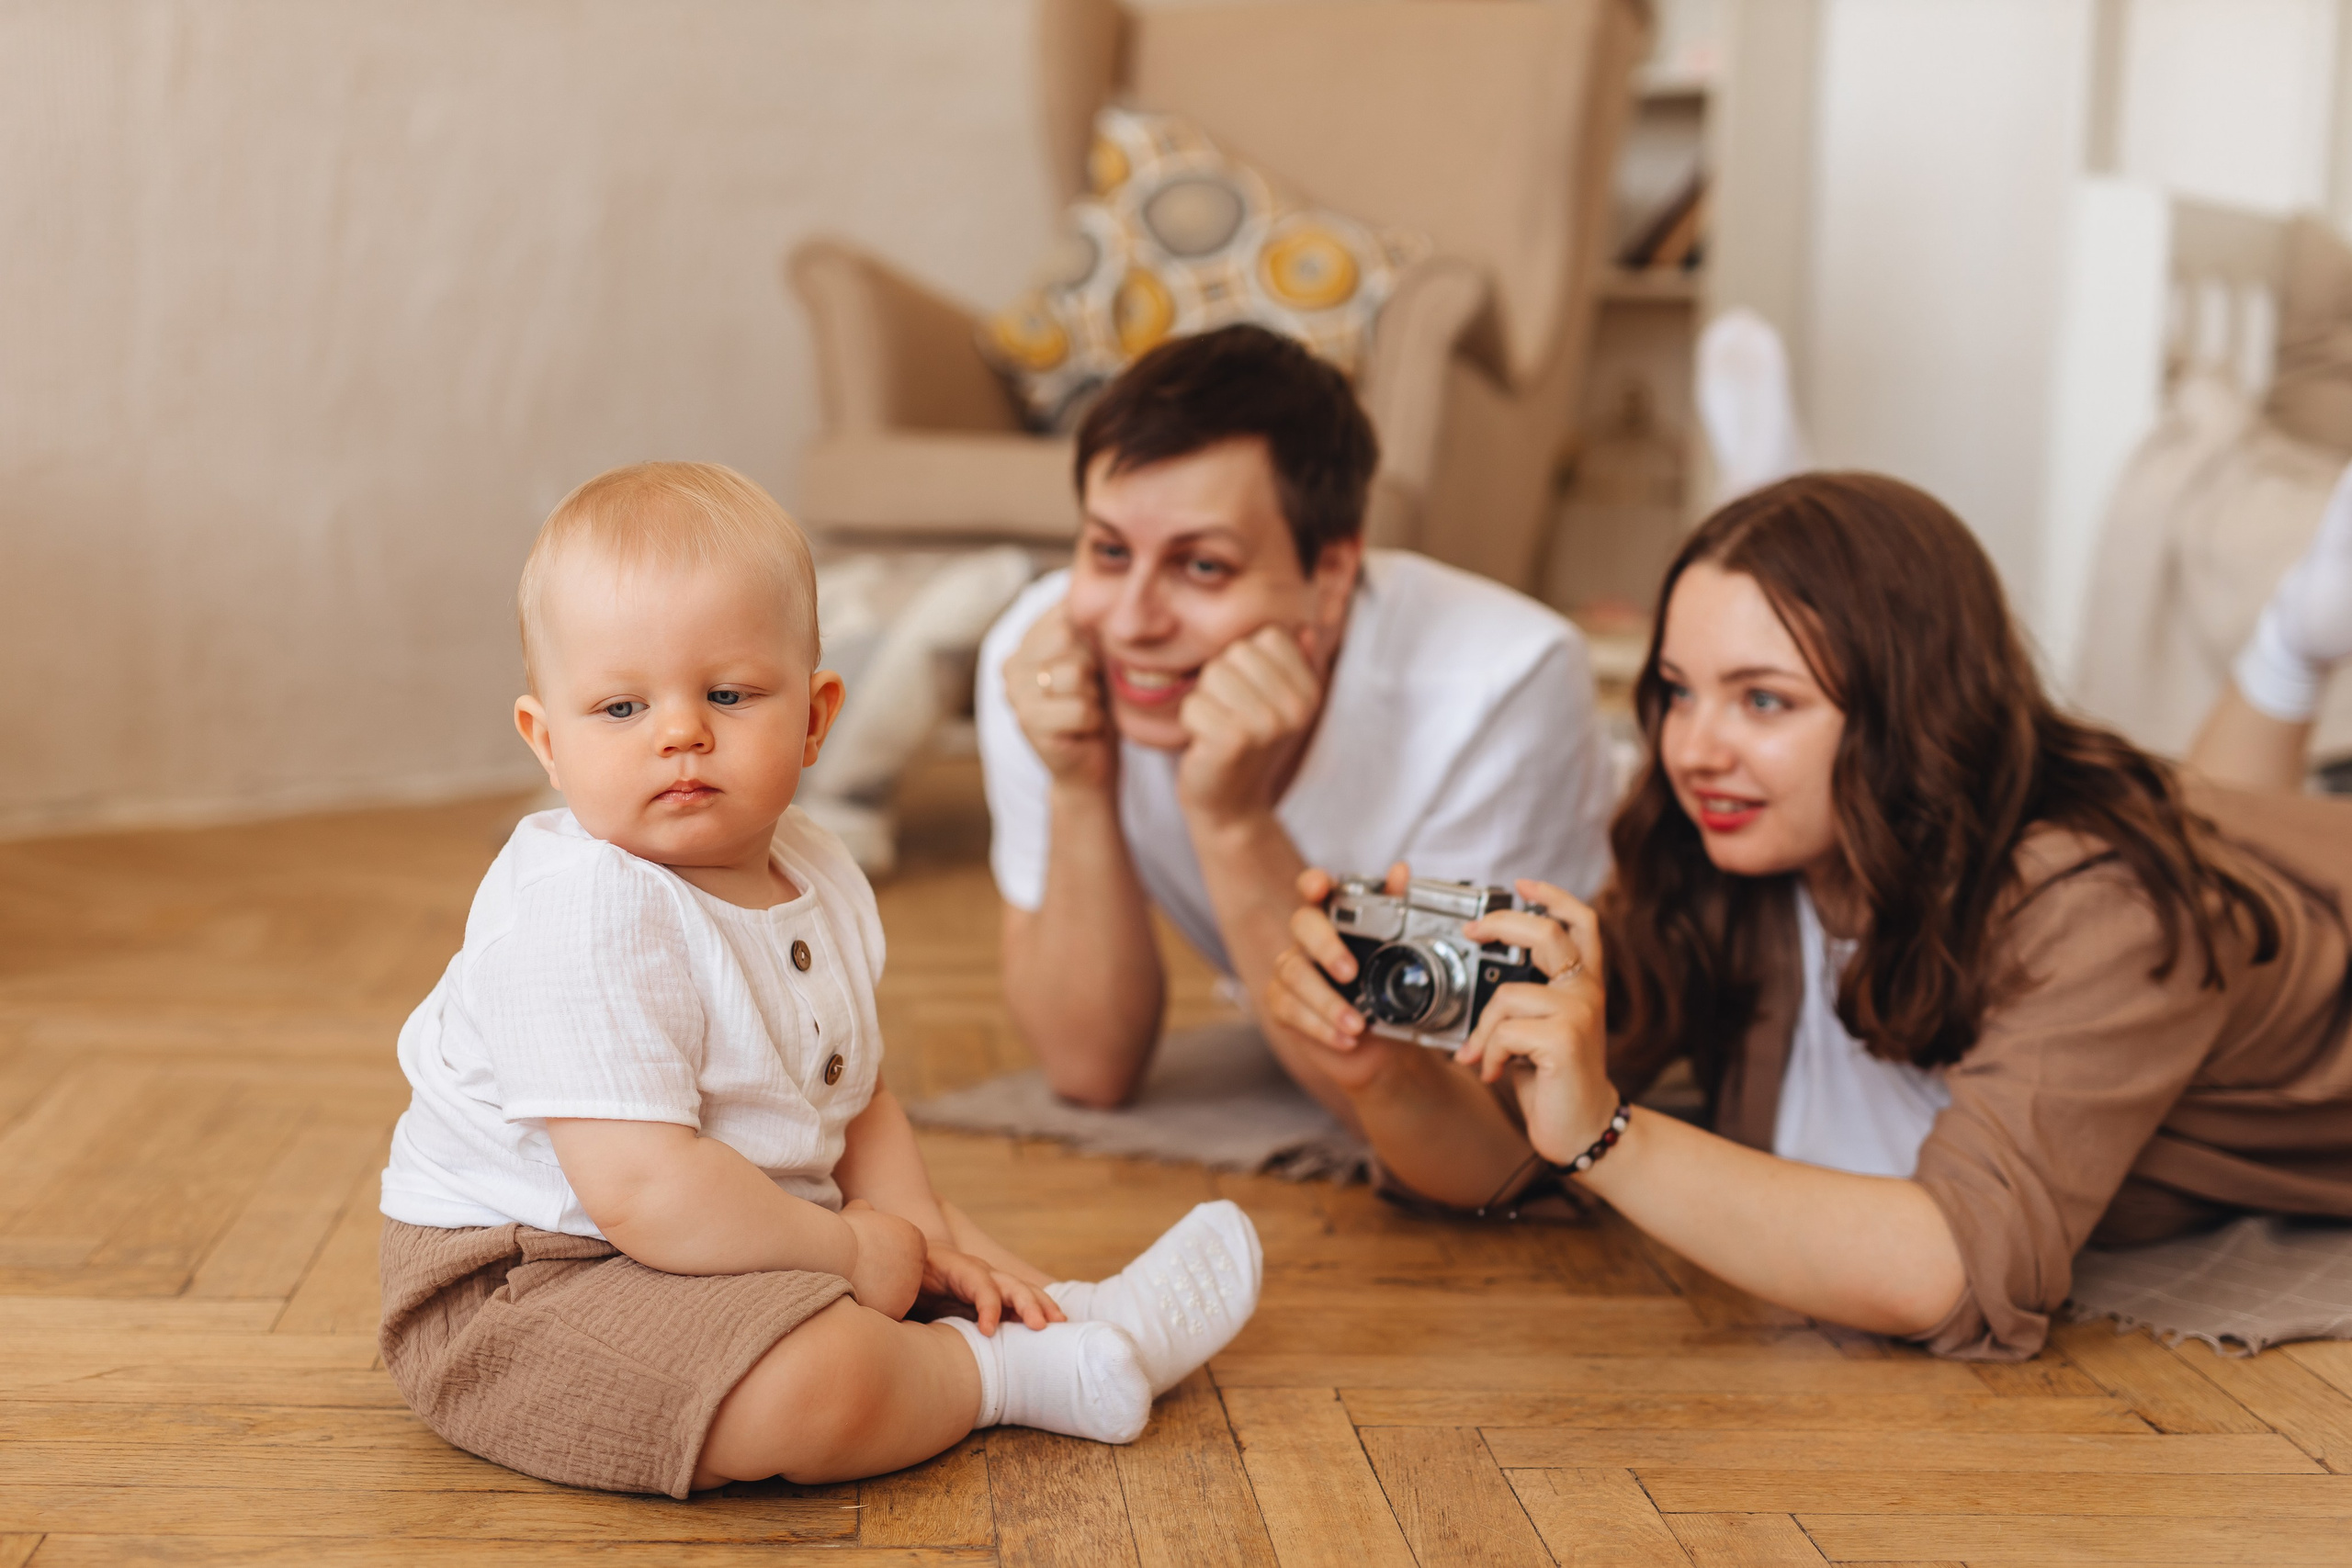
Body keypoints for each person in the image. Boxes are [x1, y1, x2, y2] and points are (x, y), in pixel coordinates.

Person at [1264, 469, 2352, 1359]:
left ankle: (2296, 639)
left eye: (1763, 700)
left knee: (2204, 819)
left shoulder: (2101, 903)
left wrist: (1609, 1133)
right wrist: (1384, 1073)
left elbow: (1946, 1272)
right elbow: (1512, 1170)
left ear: (1905, 709)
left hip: (2290, 921)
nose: (1691, 748)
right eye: (1678, 691)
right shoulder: (1725, 855)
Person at [376, 463, 1263, 1496]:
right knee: (817, 1382)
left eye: (728, 694)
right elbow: (644, 1189)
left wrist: (923, 1237)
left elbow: (859, 1098)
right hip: (531, 1282)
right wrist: (849, 1258)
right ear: (548, 743)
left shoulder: (818, 869)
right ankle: (1001, 1375)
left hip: (727, 1225)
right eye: (620, 707)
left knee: (924, 1237)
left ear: (812, 715)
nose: (679, 733)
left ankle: (1067, 1313)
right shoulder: (581, 908)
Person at [978, 325, 1616, 1114]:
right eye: (1109, 551)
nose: (1133, 621)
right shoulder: (1041, 657)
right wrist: (1079, 785)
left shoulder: (1506, 683)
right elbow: (1088, 1067)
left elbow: (1461, 1118)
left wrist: (1234, 820)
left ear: (1332, 572)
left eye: (1202, 565)